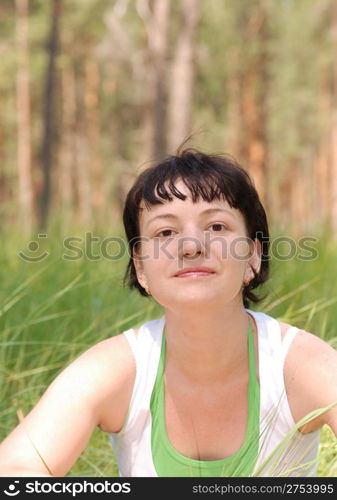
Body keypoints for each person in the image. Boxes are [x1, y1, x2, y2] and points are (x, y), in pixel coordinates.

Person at [0, 148, 336, 477]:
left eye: (217, 227)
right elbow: (15, 471)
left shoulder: (300, 365)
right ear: (141, 268)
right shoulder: (117, 370)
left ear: (252, 256)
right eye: (165, 232)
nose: (191, 247)